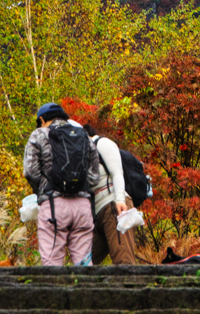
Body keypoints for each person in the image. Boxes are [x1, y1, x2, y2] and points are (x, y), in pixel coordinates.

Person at [23, 102, 99, 266]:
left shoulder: (39, 135)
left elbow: (30, 172)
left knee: (52, 264)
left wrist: (41, 190)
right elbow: (94, 177)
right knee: (84, 264)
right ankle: (88, 291)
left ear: (42, 120)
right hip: (83, 208)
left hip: (53, 206)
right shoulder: (84, 136)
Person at [82, 124, 137, 265]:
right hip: (97, 215)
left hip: (113, 205)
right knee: (84, 261)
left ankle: (130, 286)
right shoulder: (80, 154)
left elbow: (117, 172)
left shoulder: (101, 143)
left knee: (123, 260)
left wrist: (120, 200)